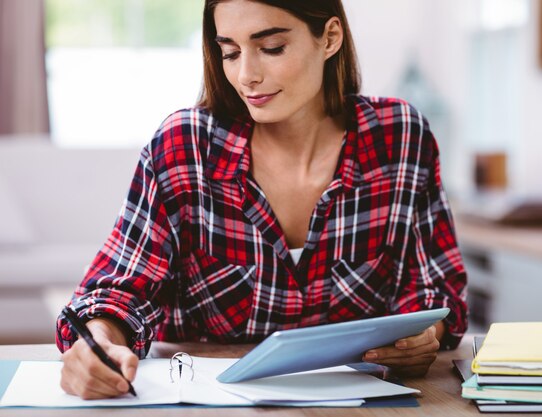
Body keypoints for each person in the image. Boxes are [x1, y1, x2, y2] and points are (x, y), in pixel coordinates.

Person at [57, 0, 468, 400]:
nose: (246, 75)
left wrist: (422, 337)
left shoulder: (400, 137)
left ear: (329, 38)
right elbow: (119, 289)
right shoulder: (185, 146)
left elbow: (435, 288)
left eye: (271, 48)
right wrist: (98, 342)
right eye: (230, 52)